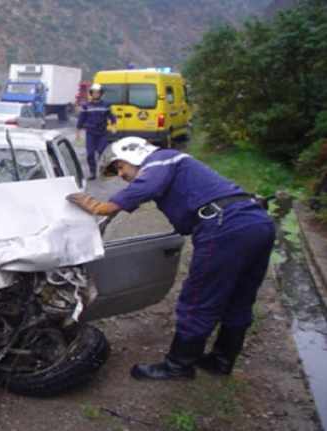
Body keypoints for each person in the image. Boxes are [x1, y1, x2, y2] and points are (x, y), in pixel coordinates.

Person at [66, 137, 275, 381]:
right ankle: (222, 360)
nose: (121, 175)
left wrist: (102, 207)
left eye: (120, 166)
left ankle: (178, 366)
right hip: (256, 222)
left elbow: (145, 187)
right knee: (240, 296)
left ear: (134, 154)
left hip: (224, 227)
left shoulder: (161, 159)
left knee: (198, 298)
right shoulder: (175, 163)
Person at [76, 83, 117, 180]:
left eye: (98, 93)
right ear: (91, 94)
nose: (96, 94)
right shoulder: (86, 106)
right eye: (94, 93)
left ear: (101, 94)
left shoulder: (106, 105)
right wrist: (78, 132)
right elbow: (81, 119)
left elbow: (112, 117)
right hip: (90, 133)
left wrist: (114, 126)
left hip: (102, 133)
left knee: (101, 152)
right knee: (90, 153)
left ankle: (103, 169)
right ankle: (92, 172)